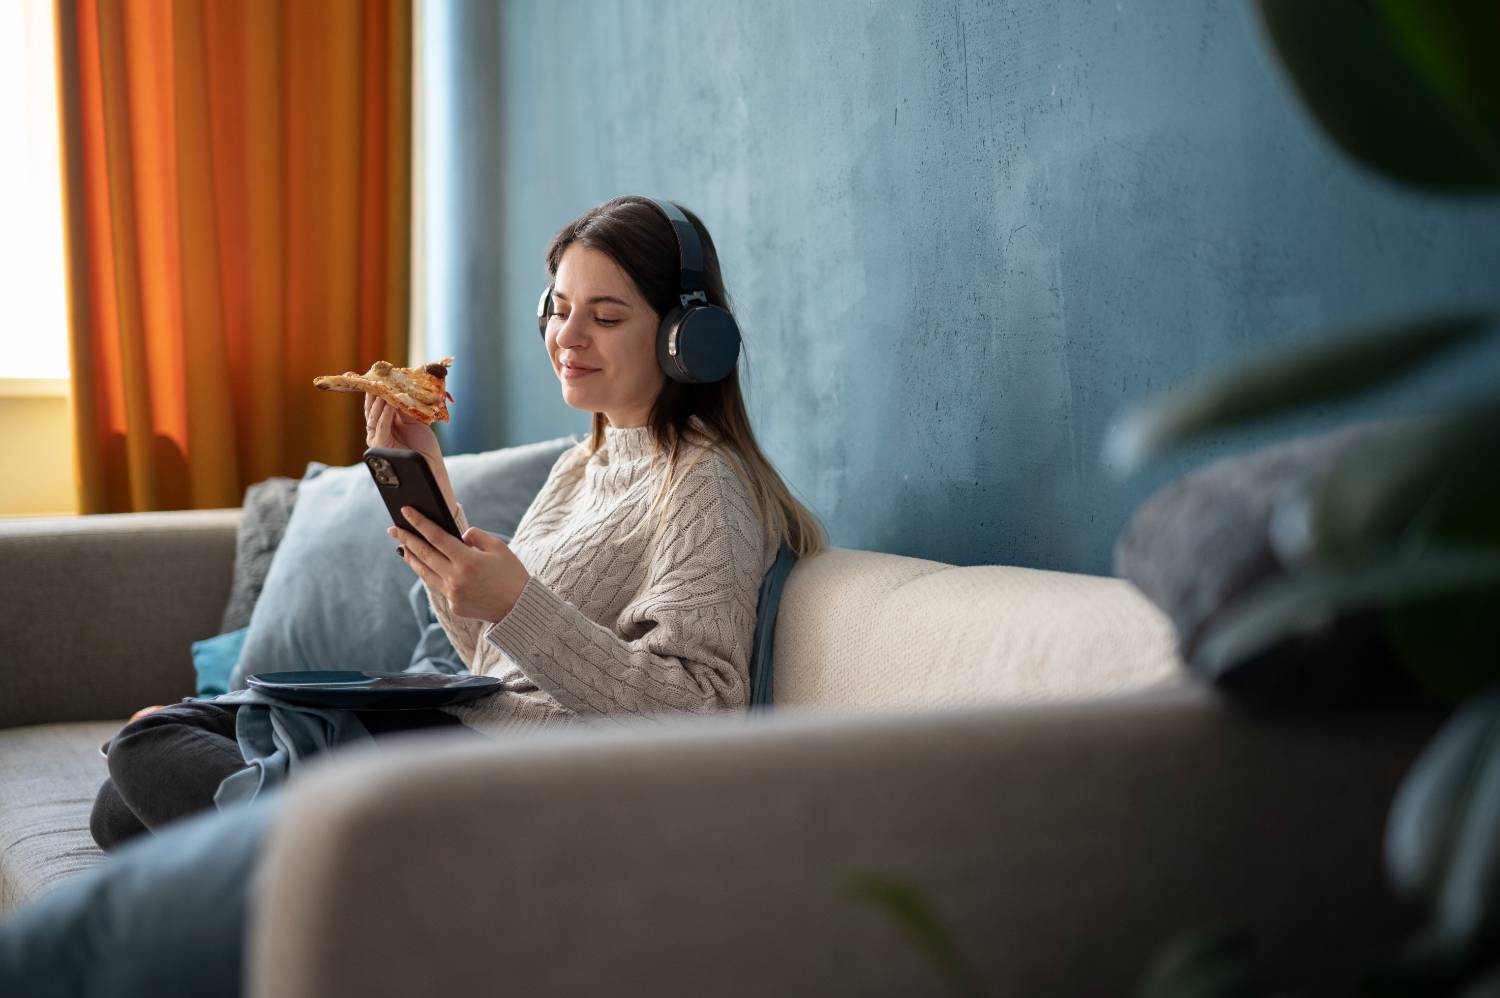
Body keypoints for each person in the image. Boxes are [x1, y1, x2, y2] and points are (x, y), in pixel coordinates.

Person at [86, 194, 827, 853]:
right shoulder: (584, 465)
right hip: (469, 729)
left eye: (605, 317)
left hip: (513, 778)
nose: (569, 338)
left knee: (150, 749)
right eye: (559, 309)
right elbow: (490, 660)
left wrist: (517, 604)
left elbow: (702, 713)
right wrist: (437, 508)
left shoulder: (705, 487)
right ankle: (318, 857)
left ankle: (334, 870)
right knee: (121, 803)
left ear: (685, 338)